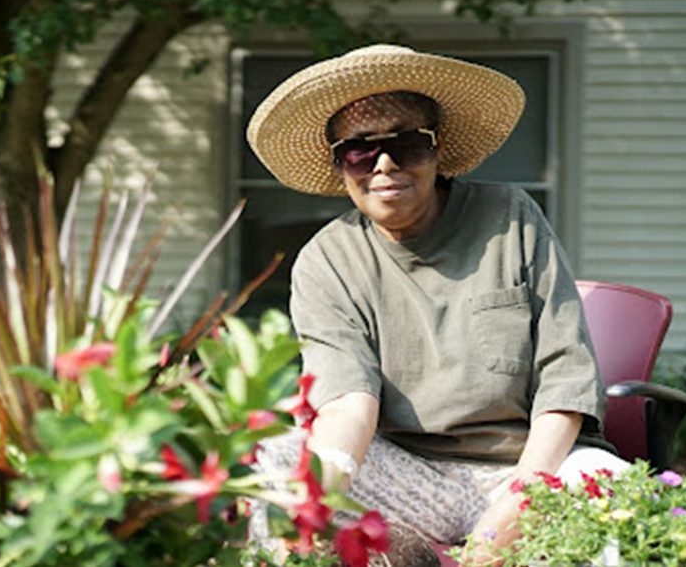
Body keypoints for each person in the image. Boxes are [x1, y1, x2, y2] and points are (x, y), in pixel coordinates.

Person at [246, 44, 629, 566]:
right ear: (339, 165)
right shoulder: (326, 260)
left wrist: (513, 510)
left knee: (619, 502)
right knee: (274, 462)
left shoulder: (510, 218)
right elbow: (347, 404)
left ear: (436, 148)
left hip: (526, 464)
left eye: (406, 144)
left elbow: (565, 380)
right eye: (359, 150)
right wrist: (314, 504)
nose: (384, 165)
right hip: (407, 472)